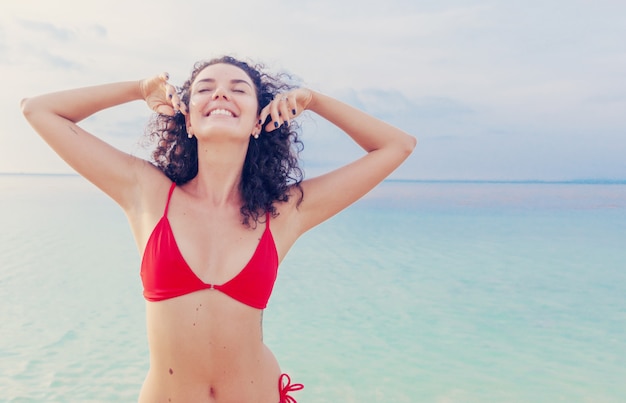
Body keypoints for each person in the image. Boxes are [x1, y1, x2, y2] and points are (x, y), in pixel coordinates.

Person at [21, 55, 416, 402]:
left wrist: (313, 100)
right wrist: (138, 89)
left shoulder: (282, 213)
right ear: (187, 119)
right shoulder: (148, 193)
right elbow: (38, 110)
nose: (221, 95)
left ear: (261, 119)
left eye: (238, 90)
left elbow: (397, 145)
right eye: (205, 89)